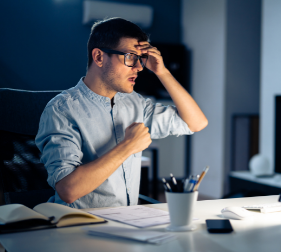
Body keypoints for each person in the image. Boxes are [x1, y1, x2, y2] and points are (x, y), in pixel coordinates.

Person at [35, 17, 208, 209]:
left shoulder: (136, 102)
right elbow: (68, 191)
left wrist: (162, 72)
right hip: (79, 227)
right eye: (130, 57)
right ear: (99, 57)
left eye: (141, 59)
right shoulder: (61, 110)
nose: (140, 67)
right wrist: (128, 146)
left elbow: (196, 123)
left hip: (127, 223)